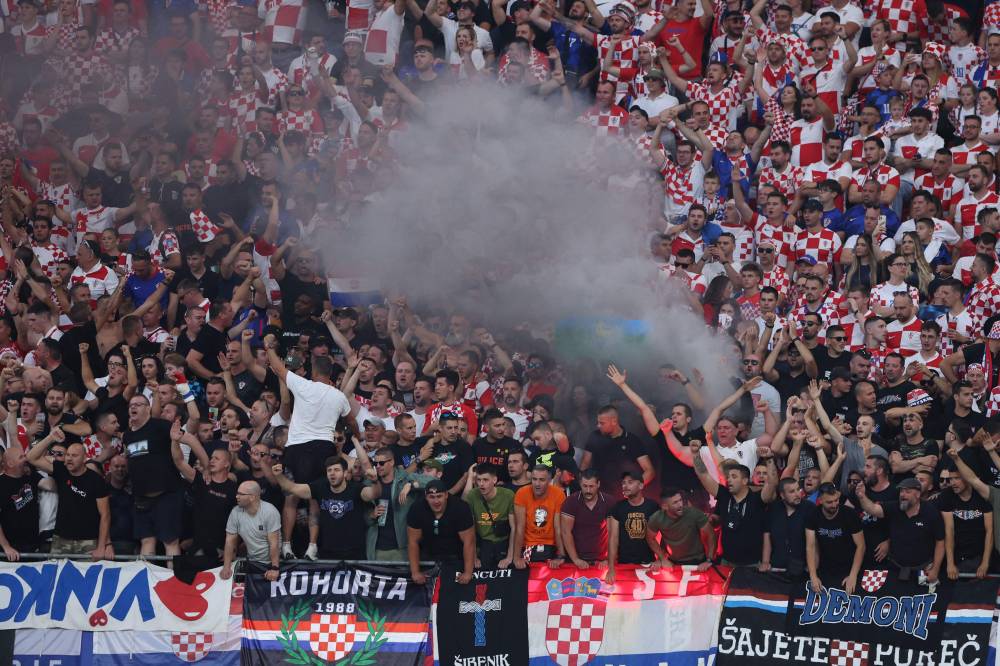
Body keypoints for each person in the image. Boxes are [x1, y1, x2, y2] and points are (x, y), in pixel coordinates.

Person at [263, 333, 351, 559]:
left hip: (297, 448)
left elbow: (279, 369)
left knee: (291, 497)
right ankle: (312, 547)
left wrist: (269, 348)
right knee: (315, 498)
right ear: (330, 374)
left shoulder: (303, 385)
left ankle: (287, 546)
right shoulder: (339, 396)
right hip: (324, 449)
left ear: (314, 371)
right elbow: (348, 418)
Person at [272, 444, 380, 560]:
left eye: (336, 470)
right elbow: (292, 488)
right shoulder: (320, 487)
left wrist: (375, 481)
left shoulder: (356, 488)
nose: (332, 473)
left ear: (345, 473)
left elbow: (374, 493)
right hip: (327, 551)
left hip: (355, 552)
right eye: (329, 470)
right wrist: (279, 477)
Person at [26, 428, 111, 559]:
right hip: (61, 539)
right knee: (57, 578)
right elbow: (31, 457)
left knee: (86, 579)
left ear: (84, 459)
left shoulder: (96, 480)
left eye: (74, 456)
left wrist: (102, 546)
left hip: (88, 541)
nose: (69, 459)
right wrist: (50, 437)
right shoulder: (61, 470)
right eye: (68, 455)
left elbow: (105, 515)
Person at [855, 477, 945, 581]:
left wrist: (935, 569)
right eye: (901, 491)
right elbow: (873, 509)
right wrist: (862, 497)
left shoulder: (930, 512)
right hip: (895, 568)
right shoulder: (895, 507)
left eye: (907, 492)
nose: (903, 495)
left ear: (918, 494)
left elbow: (940, 542)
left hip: (922, 569)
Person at [406, 479, 475, 584]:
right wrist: (415, 572)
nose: (436, 501)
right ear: (426, 497)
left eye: (439, 496)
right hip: (428, 557)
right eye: (432, 497)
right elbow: (412, 542)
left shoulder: (460, 508)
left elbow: (469, 542)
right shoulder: (417, 508)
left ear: (446, 495)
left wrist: (468, 572)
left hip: (455, 557)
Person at [805, 483, 865, 592]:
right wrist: (813, 576)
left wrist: (853, 575)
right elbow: (810, 547)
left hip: (848, 568)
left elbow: (861, 546)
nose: (834, 504)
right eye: (829, 502)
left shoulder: (850, 514)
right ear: (820, 500)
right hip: (825, 568)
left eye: (836, 500)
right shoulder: (812, 514)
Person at [222, 481, 281, 581]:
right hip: (252, 561)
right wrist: (226, 567)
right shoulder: (235, 512)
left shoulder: (270, 511)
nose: (237, 496)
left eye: (241, 494)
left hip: (272, 562)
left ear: (252, 497)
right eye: (237, 493)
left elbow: (274, 543)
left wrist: (275, 568)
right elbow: (229, 541)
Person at [606, 469, 658, 582]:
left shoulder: (653, 506)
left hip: (649, 564)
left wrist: (661, 558)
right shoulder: (617, 507)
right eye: (623, 483)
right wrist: (611, 568)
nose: (625, 486)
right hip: (624, 564)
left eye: (630, 482)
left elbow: (665, 534)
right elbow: (613, 538)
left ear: (640, 485)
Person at [645, 486, 715, 570]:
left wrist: (709, 560)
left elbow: (711, 534)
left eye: (680, 500)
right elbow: (650, 538)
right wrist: (662, 558)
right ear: (665, 507)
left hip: (697, 562)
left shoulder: (693, 513)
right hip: (673, 562)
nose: (680, 505)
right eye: (675, 502)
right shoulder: (657, 518)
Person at [462, 462, 515, 568]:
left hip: (503, 542)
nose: (481, 484)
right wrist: (473, 556)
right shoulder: (472, 496)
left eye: (485, 480)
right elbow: (469, 529)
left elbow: (515, 528)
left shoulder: (508, 495)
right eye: (479, 480)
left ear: (494, 480)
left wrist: (510, 557)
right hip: (484, 544)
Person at [513, 464, 565, 567]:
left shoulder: (558, 494)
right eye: (534, 479)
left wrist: (561, 556)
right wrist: (516, 557)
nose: (537, 484)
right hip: (529, 545)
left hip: (551, 545)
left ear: (549, 480)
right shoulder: (521, 493)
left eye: (542, 480)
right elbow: (520, 527)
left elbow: (558, 528)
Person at [560, 469, 612, 568]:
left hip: (602, 559)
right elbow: (566, 532)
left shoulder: (609, 502)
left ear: (598, 484)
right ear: (580, 484)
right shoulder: (570, 502)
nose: (588, 490)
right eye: (585, 486)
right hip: (576, 559)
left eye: (591, 486)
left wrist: (609, 559)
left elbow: (614, 532)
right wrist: (575, 559)